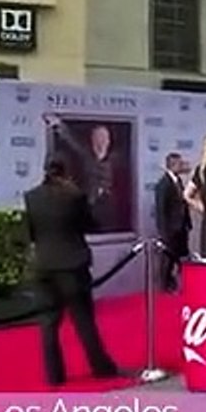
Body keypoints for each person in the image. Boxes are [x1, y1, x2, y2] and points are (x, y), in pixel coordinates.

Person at [24, 158, 119, 386]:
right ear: (66, 171)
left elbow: (31, 233)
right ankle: (101, 368)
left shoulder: (31, 196)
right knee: (84, 321)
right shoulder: (75, 196)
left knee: (48, 323)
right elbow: (91, 225)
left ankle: (54, 376)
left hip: (43, 266)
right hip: (72, 266)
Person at [45, 116, 121, 232]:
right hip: (89, 203)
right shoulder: (86, 154)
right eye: (97, 137)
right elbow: (72, 141)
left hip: (107, 206)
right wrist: (58, 124)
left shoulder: (115, 158)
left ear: (108, 140)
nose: (100, 141)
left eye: (104, 138)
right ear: (92, 139)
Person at [154, 152, 192, 291]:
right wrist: (164, 233)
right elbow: (161, 210)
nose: (182, 166)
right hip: (170, 231)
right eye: (179, 164)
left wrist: (187, 223)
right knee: (167, 263)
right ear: (172, 165)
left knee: (182, 259)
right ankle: (164, 288)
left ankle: (180, 286)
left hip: (181, 229)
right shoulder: (163, 184)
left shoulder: (179, 181)